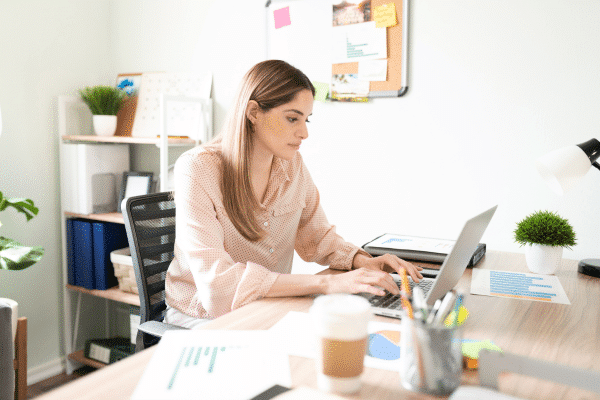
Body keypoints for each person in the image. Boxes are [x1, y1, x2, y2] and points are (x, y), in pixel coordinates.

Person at [164, 60, 423, 328]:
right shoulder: (197, 168)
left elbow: (317, 237)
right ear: (253, 112)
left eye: (306, 119)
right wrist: (328, 282)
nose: (304, 132)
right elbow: (217, 287)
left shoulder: (292, 164)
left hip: (267, 307)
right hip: (201, 318)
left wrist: (364, 262)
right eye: (292, 118)